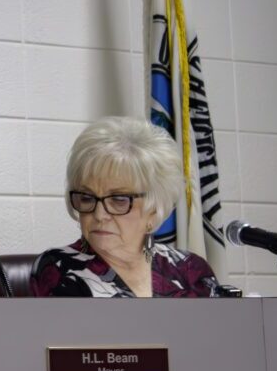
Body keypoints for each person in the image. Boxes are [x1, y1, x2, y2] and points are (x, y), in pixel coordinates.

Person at [31, 116, 219, 298]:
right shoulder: (59, 267)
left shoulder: (189, 269)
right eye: (87, 198)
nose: (99, 214)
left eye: (119, 200)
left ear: (153, 210)